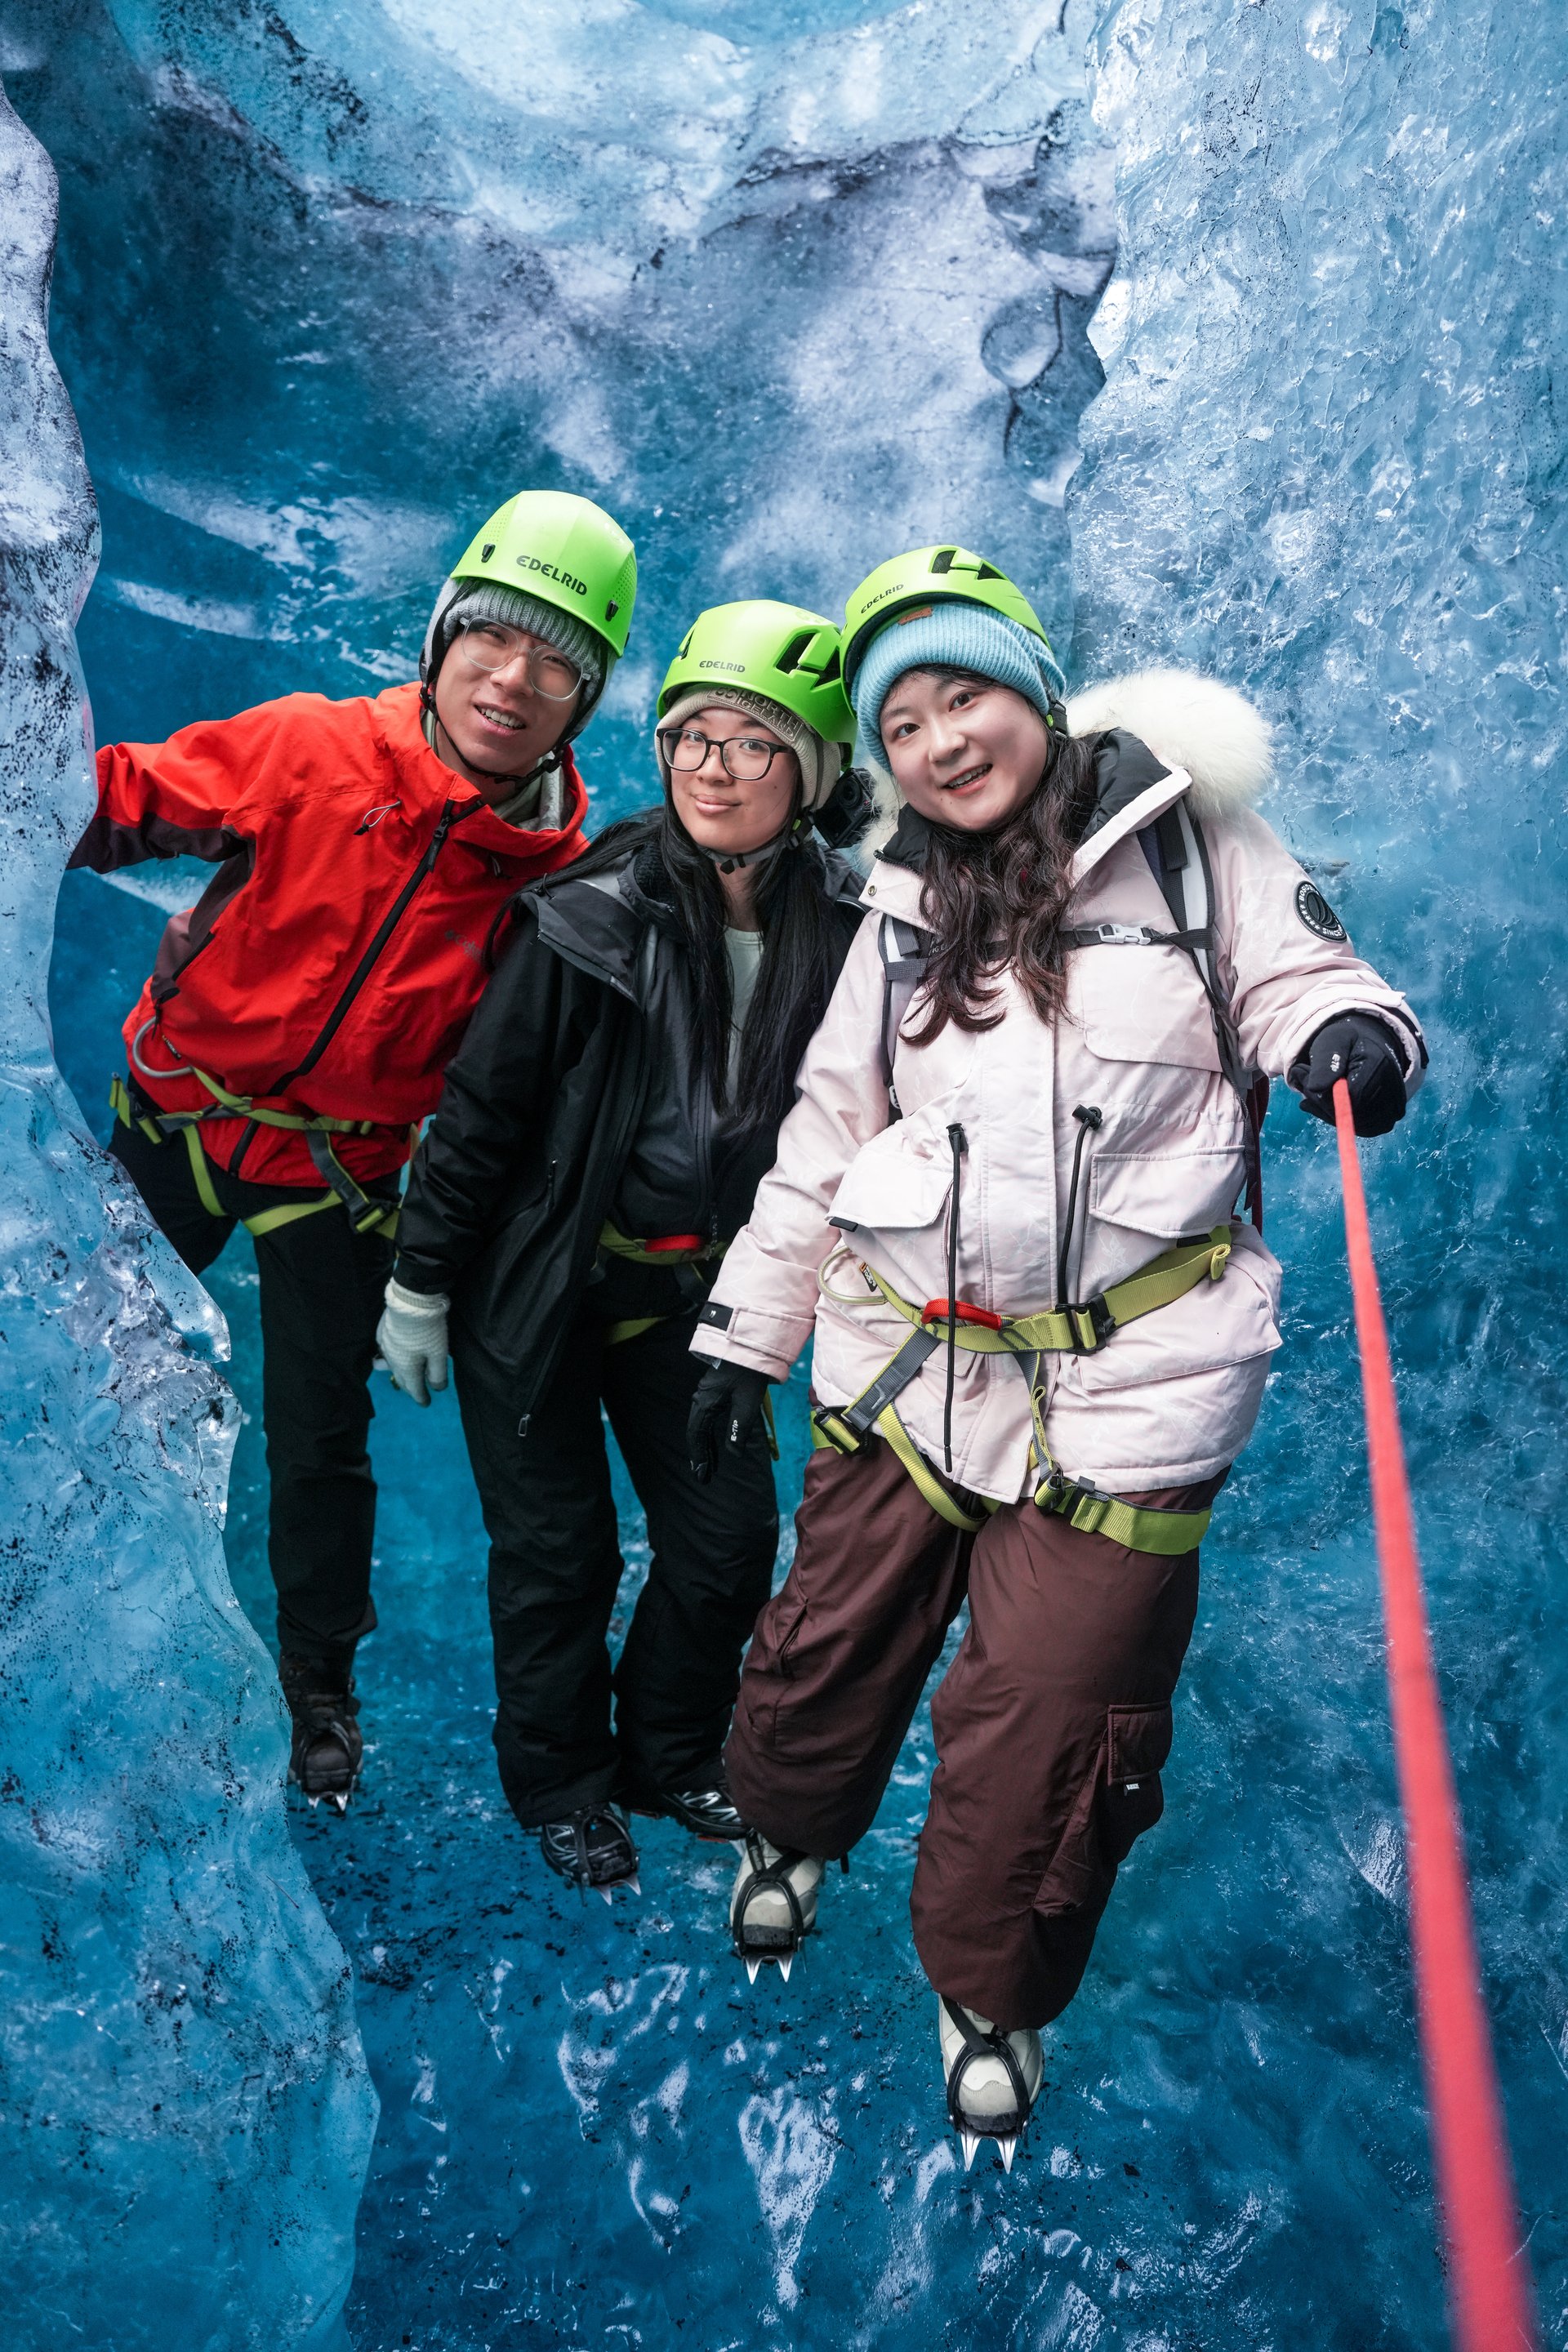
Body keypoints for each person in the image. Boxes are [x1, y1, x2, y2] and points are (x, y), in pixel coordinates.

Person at [684, 545, 1427, 2158]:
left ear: (1034, 689)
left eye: (964, 696)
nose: (940, 742)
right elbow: (826, 1134)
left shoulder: (1193, 846)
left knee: (1059, 1716)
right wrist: (745, 1336)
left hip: (1137, 1379)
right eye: (903, 724)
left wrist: (1347, 1038)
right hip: (906, 1356)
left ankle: (989, 1987)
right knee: (830, 1639)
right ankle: (788, 1832)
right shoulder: (893, 909)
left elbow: (1306, 975)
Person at [71, 490, 636, 1806]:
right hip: (180, 1117)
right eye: (492, 639)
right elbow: (120, 801)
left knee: (320, 1443)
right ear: (441, 640)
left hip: (336, 1176)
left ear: (585, 702)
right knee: (79, 1367)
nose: (514, 680)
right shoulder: (315, 748)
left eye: (557, 665)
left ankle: (316, 1682)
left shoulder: (552, 879)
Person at [376, 599, 869, 1895]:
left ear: (813, 773)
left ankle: (667, 1755)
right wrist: (421, 1282)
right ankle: (565, 1784)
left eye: (752, 744)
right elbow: (482, 1114)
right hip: (539, 1286)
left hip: (698, 1291)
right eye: (690, 737)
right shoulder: (590, 911)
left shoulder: (852, 925)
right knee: (560, 1554)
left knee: (724, 1548)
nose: (713, 768)